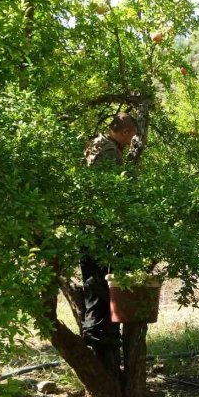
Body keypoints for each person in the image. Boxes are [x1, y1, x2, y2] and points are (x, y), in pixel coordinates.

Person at [80, 113, 138, 360]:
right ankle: (95, 331)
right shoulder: (109, 152)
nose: (130, 142)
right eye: (131, 136)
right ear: (123, 132)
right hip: (99, 224)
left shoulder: (95, 143)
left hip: (88, 221)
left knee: (94, 277)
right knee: (99, 278)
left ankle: (96, 330)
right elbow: (110, 191)